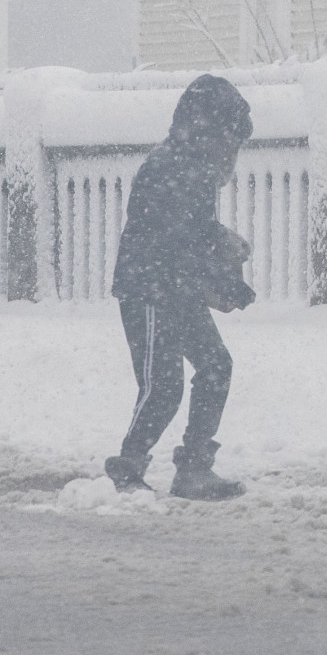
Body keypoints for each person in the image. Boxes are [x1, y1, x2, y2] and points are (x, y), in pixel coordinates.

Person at [106, 74, 258, 500]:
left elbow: (194, 233)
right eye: (229, 140)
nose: (232, 153)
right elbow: (174, 237)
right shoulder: (167, 167)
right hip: (150, 290)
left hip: (178, 288)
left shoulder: (195, 168)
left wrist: (223, 270)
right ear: (205, 130)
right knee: (163, 385)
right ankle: (128, 467)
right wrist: (218, 251)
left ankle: (194, 469)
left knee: (216, 366)